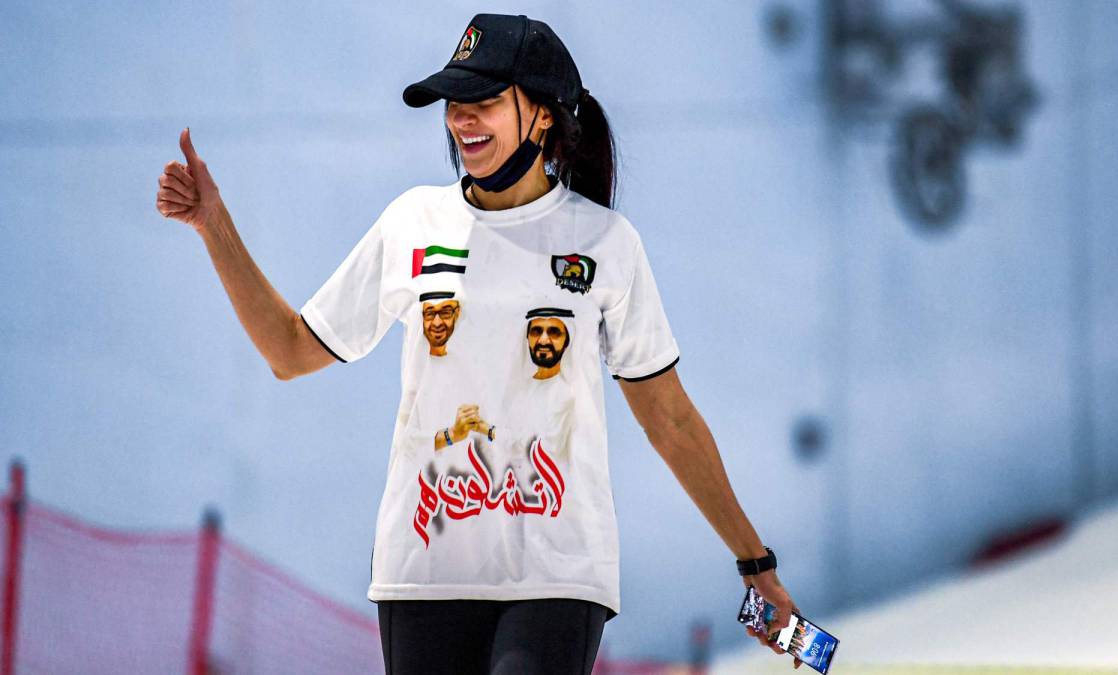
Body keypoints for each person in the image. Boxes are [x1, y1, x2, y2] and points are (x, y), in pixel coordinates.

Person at [154, 11, 803, 674]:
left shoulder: (606, 244)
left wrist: (754, 561)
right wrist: (214, 224)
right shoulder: (412, 222)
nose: (461, 118)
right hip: (422, 571)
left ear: (543, 116)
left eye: (485, 101)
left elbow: (669, 418)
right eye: (453, 103)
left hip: (557, 573)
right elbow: (289, 350)